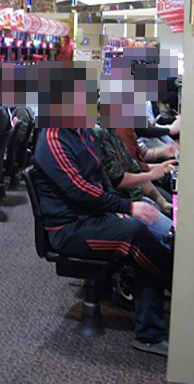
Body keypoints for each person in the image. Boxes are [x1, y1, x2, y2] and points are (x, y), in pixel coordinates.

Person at [34, 128, 172, 356]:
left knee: (148, 234)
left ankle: (156, 324)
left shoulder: (84, 131)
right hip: (68, 230)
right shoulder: (52, 138)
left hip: (92, 217)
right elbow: (79, 190)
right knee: (137, 235)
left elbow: (101, 178)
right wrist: (126, 207)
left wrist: (117, 207)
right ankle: (151, 334)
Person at [93, 127, 174, 242]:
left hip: (137, 198)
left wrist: (162, 202)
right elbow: (118, 180)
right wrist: (152, 174)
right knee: (178, 237)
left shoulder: (112, 130)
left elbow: (134, 168)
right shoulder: (98, 133)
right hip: (124, 207)